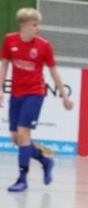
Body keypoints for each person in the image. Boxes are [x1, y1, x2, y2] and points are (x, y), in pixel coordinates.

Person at [0, 7, 72, 193]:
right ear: (23, 25)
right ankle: (45, 161)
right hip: (16, 94)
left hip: (35, 93)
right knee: (16, 138)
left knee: (23, 135)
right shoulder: (9, 40)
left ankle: (22, 179)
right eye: (34, 25)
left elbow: (53, 71)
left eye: (38, 25)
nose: (37, 28)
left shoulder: (44, 45)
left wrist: (64, 96)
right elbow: (4, 65)